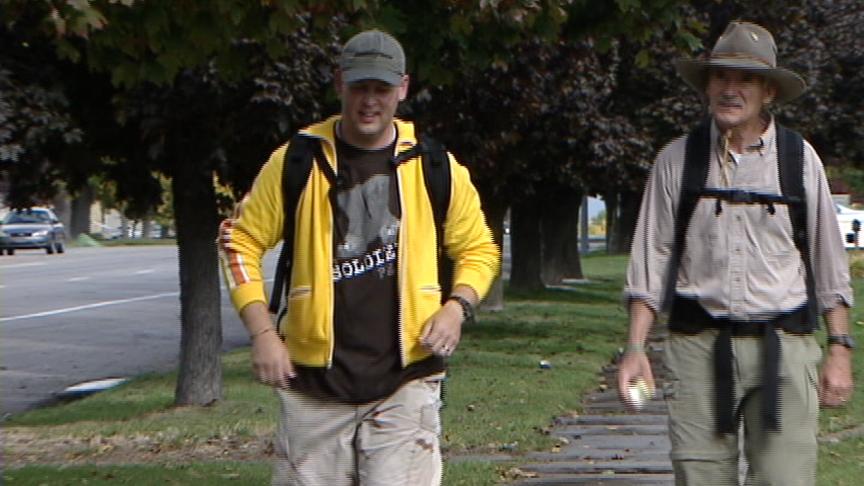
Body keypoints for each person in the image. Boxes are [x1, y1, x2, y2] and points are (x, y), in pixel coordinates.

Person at [218, 29, 499, 485]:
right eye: (360, 88)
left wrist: (457, 307)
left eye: (382, 89)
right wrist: (262, 333)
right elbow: (239, 242)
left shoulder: (434, 165)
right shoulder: (297, 161)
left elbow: (478, 249)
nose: (370, 101)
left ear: (402, 89)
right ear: (339, 84)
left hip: (405, 383)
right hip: (314, 391)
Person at [617, 21, 855, 486]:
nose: (730, 88)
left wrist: (839, 350)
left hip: (784, 351)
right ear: (707, 85)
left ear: (768, 92)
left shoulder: (798, 160)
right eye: (721, 76)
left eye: (745, 79)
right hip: (698, 349)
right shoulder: (677, 161)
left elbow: (829, 262)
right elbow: (650, 259)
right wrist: (634, 348)